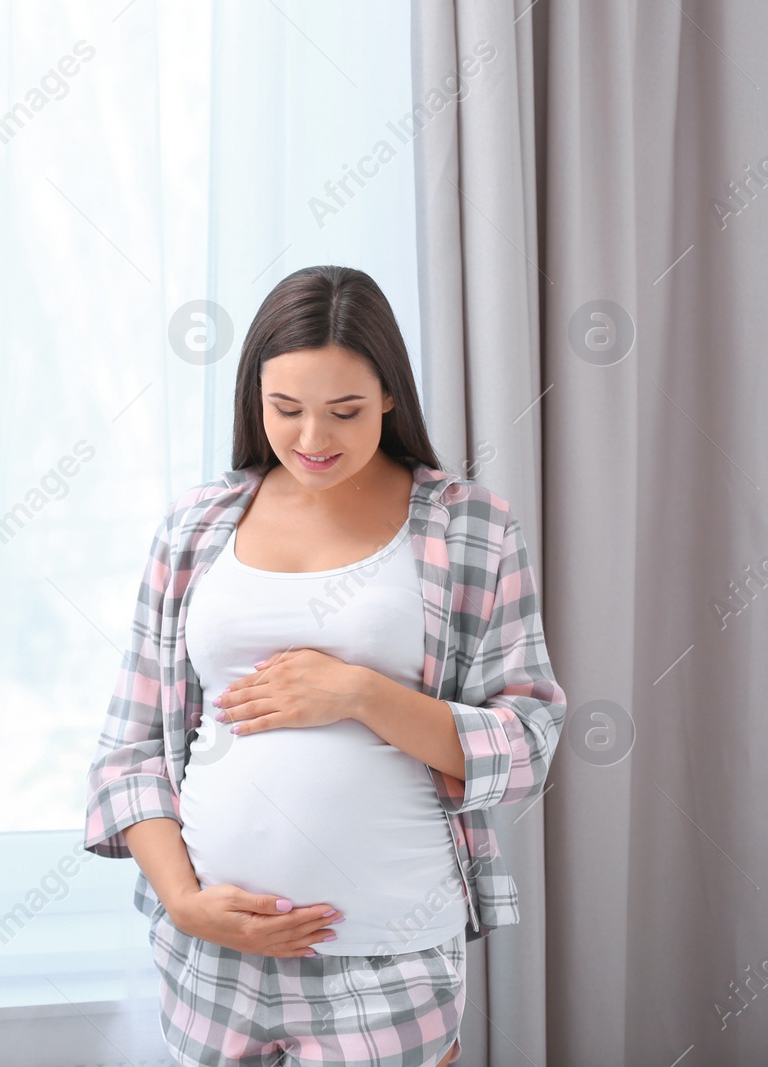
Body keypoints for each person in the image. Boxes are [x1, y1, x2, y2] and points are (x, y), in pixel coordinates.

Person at [82, 265, 567, 1067]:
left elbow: (530, 740)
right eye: (286, 409)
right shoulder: (196, 525)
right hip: (214, 955)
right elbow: (129, 749)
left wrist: (360, 693)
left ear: (388, 396)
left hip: (391, 952)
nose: (313, 439)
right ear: (254, 398)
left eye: (343, 410)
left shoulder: (469, 526)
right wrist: (187, 902)